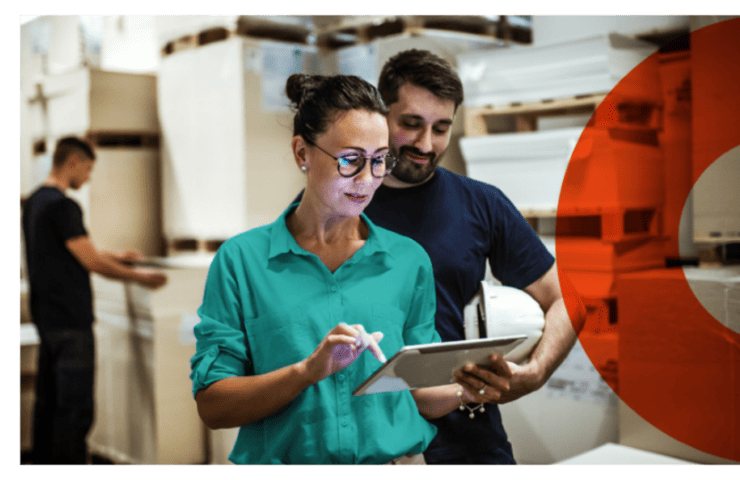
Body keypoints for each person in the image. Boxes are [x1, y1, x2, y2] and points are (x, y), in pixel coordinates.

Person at [190, 73, 495, 466]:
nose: (368, 180)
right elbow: (214, 407)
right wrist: (306, 371)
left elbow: (417, 391)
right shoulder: (241, 262)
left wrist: (471, 389)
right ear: (302, 153)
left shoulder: (408, 261)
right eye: (351, 160)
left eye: (380, 160)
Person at [360, 49, 587, 465]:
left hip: (471, 442)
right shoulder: (341, 205)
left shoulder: (480, 203)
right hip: (369, 443)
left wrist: (534, 374)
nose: (426, 145)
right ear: (381, 115)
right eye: (411, 125)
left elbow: (567, 299)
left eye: (441, 128)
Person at [22, 136, 168, 465]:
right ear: (72, 162)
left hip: (47, 320)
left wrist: (116, 255)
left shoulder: (35, 201)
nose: (88, 177)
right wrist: (141, 277)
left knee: (50, 403)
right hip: (71, 322)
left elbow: (67, 252)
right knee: (75, 410)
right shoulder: (64, 206)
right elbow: (91, 263)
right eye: (87, 169)